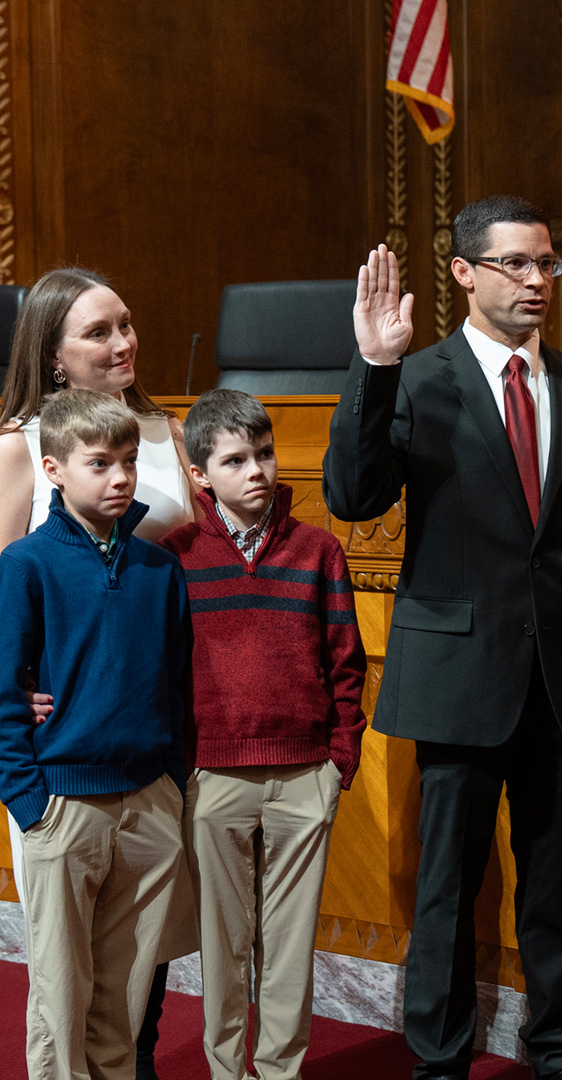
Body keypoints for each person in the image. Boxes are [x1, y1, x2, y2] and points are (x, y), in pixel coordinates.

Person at [322, 195, 562, 1080]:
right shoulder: (417, 379)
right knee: (446, 892)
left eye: (548, 263)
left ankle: (557, 1047)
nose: (537, 280)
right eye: (516, 264)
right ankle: (439, 1061)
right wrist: (373, 364)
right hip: (461, 680)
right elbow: (352, 496)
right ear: (464, 272)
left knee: (554, 890)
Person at [0, 266, 197, 1080]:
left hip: (149, 735)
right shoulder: (21, 444)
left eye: (126, 323)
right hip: (60, 745)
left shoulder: (164, 430)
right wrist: (22, 749)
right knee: (62, 978)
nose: (123, 342)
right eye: (97, 331)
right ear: (52, 357)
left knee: (129, 979)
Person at [161, 388, 367, 1080]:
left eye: (265, 454)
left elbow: (346, 664)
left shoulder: (318, 551)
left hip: (304, 774)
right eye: (235, 459)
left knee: (289, 945)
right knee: (223, 946)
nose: (256, 471)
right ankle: (228, 1072)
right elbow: (162, 674)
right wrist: (185, 766)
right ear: (200, 475)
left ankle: (278, 1072)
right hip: (214, 776)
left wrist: (339, 762)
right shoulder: (177, 556)